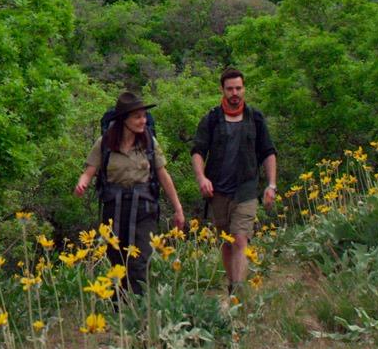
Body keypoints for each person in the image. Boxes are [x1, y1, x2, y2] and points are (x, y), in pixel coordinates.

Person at [73, 91, 185, 296]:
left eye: (144, 116)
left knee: (140, 260)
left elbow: (163, 175)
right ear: (124, 120)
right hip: (113, 208)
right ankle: (119, 307)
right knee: (116, 260)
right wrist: (82, 184)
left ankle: (140, 306)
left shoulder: (149, 142)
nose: (143, 121)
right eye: (137, 117)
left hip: (144, 208)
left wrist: (178, 208)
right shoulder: (105, 143)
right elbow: (89, 171)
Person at [190, 68, 277, 296]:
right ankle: (232, 286)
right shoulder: (211, 119)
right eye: (230, 89)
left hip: (246, 189)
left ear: (244, 88)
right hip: (218, 191)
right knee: (226, 242)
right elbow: (198, 151)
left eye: (238, 88)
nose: (235, 93)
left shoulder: (255, 118)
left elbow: (268, 152)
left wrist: (271, 184)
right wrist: (201, 178)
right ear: (222, 89)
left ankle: (238, 291)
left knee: (240, 238)